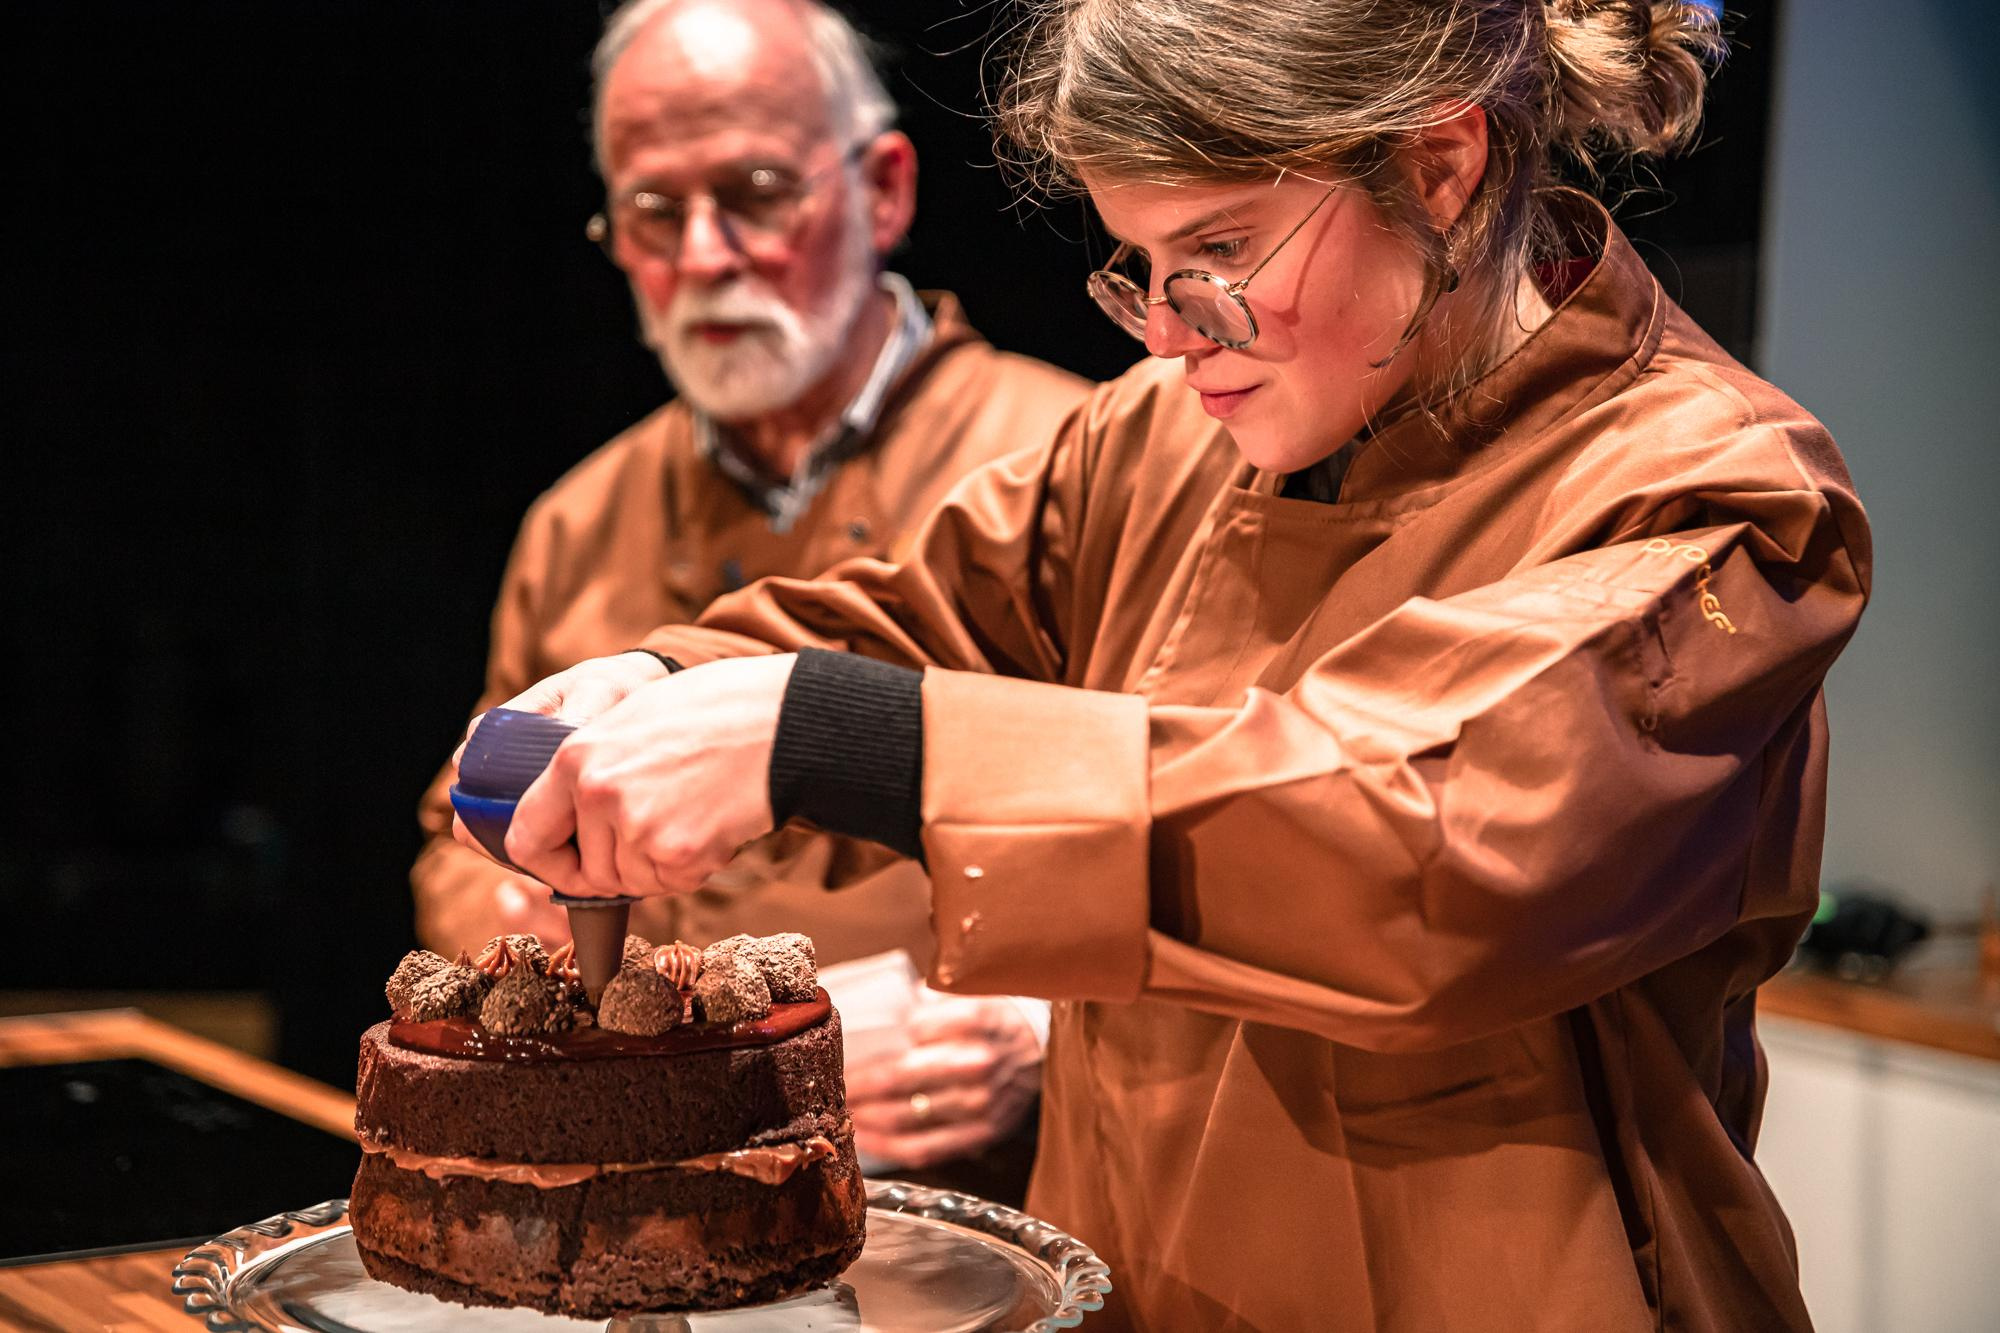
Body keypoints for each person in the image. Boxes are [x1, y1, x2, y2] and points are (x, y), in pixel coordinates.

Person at [455, 1, 1870, 1327]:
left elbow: (1420, 837)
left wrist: (823, 738)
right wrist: (665, 675)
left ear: (1440, 165)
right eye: (1137, 264)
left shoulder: (1723, 502)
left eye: (1222, 251)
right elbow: (909, 616)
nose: (1174, 330)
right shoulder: (1154, 443)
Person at [412, 0, 1088, 1196]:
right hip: (654, 1189)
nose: (707, 257)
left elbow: (1183, 812)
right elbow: (464, 832)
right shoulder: (576, 518)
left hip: (977, 1199)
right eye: (654, 213)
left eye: (759, 193)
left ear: (883, 190)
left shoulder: (1068, 460)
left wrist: (1030, 1025)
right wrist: (585, 989)